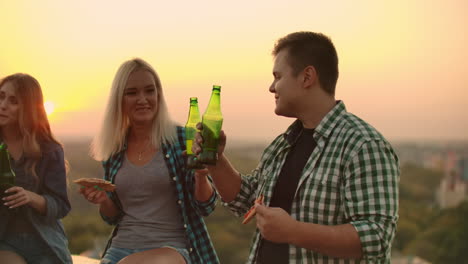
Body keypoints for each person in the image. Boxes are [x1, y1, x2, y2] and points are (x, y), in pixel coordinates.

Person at [193, 31, 400, 263]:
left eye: (278, 76)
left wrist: (294, 231)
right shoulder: (283, 143)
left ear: (307, 77)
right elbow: (246, 201)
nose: (272, 87)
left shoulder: (362, 145)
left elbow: (376, 237)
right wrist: (216, 160)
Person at [79, 58, 220, 264]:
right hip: (121, 248)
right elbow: (112, 217)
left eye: (149, 91)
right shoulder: (114, 149)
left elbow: (206, 206)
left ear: (158, 95)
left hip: (172, 249)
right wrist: (103, 200)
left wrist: (201, 175)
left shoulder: (180, 138)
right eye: (132, 93)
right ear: (120, 100)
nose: (142, 99)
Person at [0, 73, 72, 264]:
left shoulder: (49, 149)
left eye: (13, 101)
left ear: (28, 108)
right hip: (4, 241)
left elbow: (61, 206)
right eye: (1, 96)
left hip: (44, 240)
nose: (3, 105)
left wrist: (30, 197)